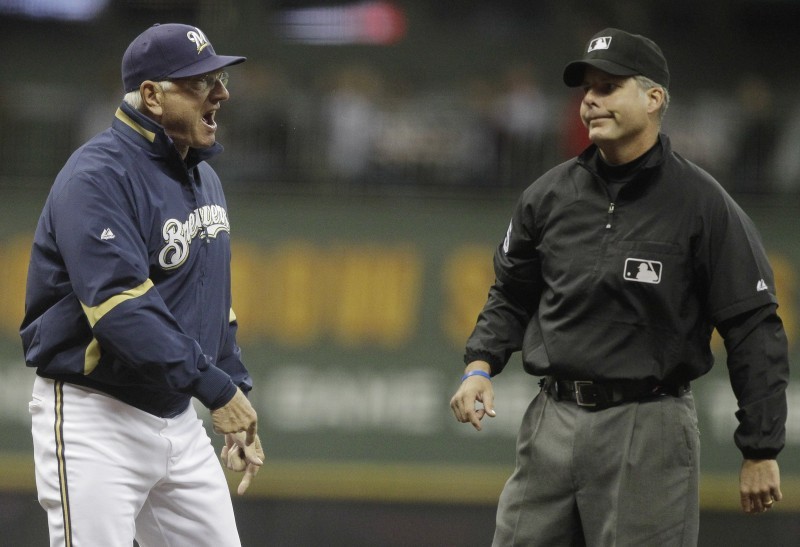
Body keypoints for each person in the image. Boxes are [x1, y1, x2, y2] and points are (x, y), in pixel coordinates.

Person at [450, 28, 789, 546]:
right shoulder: (548, 195)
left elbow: (752, 326)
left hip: (648, 423)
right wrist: (480, 365)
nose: (589, 100)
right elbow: (511, 293)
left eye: (608, 87)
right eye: (586, 89)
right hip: (552, 420)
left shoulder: (701, 203)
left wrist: (760, 448)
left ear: (654, 99)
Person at [20, 23, 264, 547]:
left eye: (219, 78)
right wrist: (216, 390)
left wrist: (235, 389)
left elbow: (210, 301)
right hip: (96, 416)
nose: (221, 93)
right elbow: (119, 311)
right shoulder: (96, 176)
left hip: (177, 418)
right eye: (201, 82)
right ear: (151, 95)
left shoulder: (202, 174)